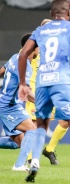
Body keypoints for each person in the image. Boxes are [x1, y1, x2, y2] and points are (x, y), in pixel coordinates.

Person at [18, 0, 70, 183]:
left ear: (52, 13)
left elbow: (23, 54)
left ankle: (35, 162)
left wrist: (23, 83)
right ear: (68, 13)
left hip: (42, 83)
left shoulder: (40, 31)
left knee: (41, 124)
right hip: (62, 81)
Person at [24, 18, 69, 166]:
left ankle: (49, 150)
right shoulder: (34, 46)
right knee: (35, 124)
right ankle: (30, 157)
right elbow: (22, 60)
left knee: (66, 119)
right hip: (37, 91)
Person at [0, 33, 37, 171]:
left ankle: (20, 164)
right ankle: (19, 165)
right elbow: (26, 92)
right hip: (8, 106)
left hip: (8, 104)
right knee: (32, 129)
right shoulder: (25, 64)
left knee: (17, 143)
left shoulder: (15, 57)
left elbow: (1, 71)